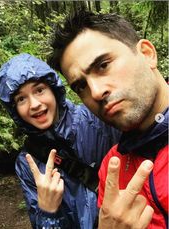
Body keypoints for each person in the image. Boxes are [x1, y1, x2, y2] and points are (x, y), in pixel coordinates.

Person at [48, 10, 168, 229]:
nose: (95, 92)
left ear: (147, 53)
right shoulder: (112, 169)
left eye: (103, 65)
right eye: (81, 86)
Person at [0, 53, 120, 229]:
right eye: (21, 99)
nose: (34, 104)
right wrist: (47, 211)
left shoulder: (97, 120)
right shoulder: (27, 164)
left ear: (54, 90)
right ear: (14, 110)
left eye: (39, 90)